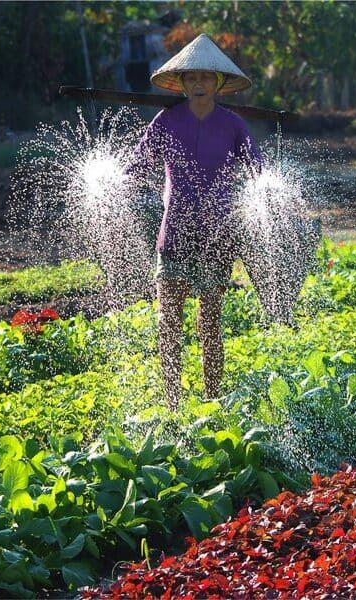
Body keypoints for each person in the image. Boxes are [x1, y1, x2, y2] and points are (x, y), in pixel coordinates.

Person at [127, 34, 262, 409]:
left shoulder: (233, 125)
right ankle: (173, 401)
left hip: (218, 235)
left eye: (206, 77)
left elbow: (258, 171)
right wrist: (113, 182)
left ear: (218, 83)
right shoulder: (166, 121)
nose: (199, 84)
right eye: (191, 78)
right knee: (169, 320)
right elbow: (138, 166)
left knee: (210, 323)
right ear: (182, 83)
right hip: (176, 232)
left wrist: (268, 194)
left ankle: (212, 401)